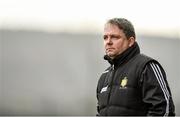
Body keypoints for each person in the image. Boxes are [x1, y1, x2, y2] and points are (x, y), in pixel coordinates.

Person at [96, 18, 175, 116]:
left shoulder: (146, 67)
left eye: (114, 37)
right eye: (105, 37)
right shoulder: (104, 77)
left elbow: (164, 110)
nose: (108, 42)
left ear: (130, 41)